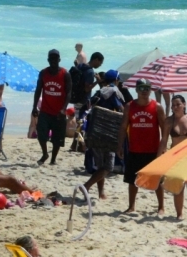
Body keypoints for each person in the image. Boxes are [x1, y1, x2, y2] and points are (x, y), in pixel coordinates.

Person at [117, 79, 166, 215]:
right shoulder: (129, 106)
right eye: (141, 88)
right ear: (136, 90)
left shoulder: (157, 107)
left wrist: (163, 149)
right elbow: (123, 127)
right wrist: (120, 145)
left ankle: (161, 207)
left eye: (147, 88)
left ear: (150, 90)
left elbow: (164, 129)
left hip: (153, 150)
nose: (144, 91)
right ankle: (131, 206)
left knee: (157, 180)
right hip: (134, 149)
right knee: (132, 180)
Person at [83, 69, 124, 200]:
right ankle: (86, 185)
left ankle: (101, 192)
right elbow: (121, 110)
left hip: (95, 132)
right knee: (108, 166)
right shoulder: (114, 91)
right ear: (116, 80)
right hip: (109, 133)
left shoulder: (99, 91)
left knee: (101, 166)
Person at [33, 49, 71, 166]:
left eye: (56, 59)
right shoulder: (43, 73)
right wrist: (34, 107)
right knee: (41, 134)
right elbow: (38, 90)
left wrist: (64, 108)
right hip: (45, 110)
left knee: (57, 139)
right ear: (48, 60)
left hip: (59, 113)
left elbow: (69, 92)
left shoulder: (65, 74)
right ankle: (45, 154)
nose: (53, 61)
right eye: (51, 59)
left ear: (59, 60)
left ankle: (53, 159)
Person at [70, 51, 104, 151]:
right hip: (84, 100)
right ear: (96, 60)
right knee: (81, 123)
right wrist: (97, 81)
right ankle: (79, 145)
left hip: (76, 97)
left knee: (79, 122)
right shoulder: (90, 71)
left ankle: (75, 144)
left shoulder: (81, 66)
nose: (100, 65)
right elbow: (87, 88)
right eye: (100, 63)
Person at [163, 94, 187, 219]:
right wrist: (159, 157)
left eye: (178, 104)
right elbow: (164, 140)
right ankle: (179, 214)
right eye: (173, 105)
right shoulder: (169, 121)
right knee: (178, 186)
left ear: (184, 105)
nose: (175, 107)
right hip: (175, 157)